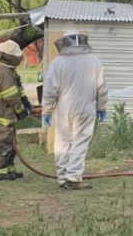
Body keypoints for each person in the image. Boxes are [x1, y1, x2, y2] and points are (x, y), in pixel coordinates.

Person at [42, 31, 108, 190]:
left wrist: (47, 110)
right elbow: (102, 88)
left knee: (62, 141)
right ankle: (73, 177)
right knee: (80, 141)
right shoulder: (94, 61)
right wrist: (101, 107)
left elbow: (50, 90)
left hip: (64, 109)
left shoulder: (57, 63)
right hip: (86, 107)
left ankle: (62, 176)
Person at [0, 40, 32, 181]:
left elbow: (17, 87)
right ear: (9, 57)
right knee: (1, 143)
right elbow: (11, 96)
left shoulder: (6, 68)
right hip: (0, 114)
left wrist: (25, 100)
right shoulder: (0, 72)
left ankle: (9, 169)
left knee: (9, 143)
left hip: (3, 112)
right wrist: (21, 110)